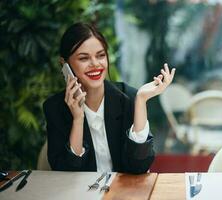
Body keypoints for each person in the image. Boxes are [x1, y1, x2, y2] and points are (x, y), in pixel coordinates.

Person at [43, 22, 175, 174]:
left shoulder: (128, 98)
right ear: (65, 65)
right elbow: (65, 173)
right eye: (84, 58)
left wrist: (140, 101)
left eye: (100, 55)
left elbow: (139, 166)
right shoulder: (54, 108)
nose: (95, 64)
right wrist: (78, 119)